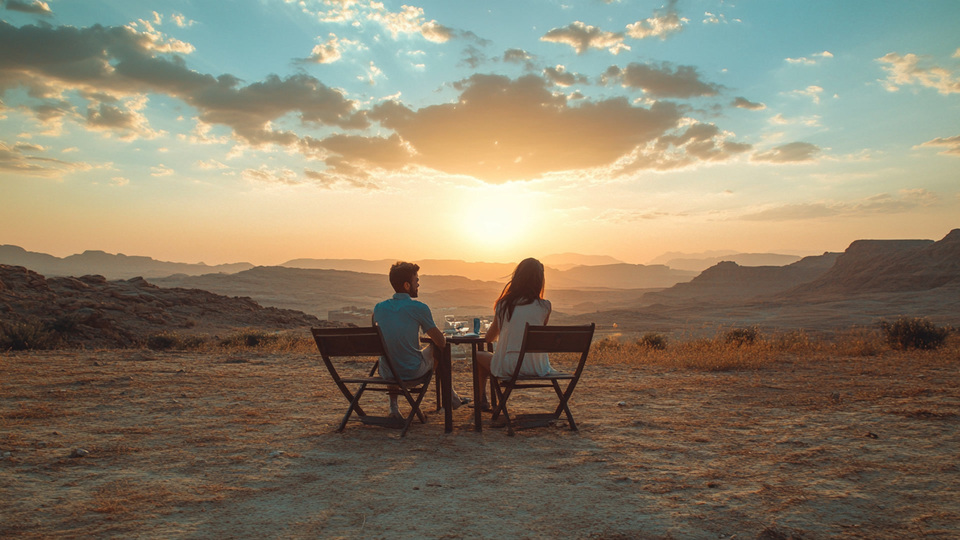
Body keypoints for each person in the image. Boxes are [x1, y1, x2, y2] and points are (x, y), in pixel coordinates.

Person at [373, 261, 467, 419]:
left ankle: (393, 407)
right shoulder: (419, 308)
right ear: (407, 285)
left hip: (387, 372)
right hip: (411, 372)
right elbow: (441, 342)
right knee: (439, 348)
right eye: (416, 281)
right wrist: (441, 336)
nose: (418, 284)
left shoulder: (379, 308)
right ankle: (451, 397)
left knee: (391, 354)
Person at [475, 257, 553, 412]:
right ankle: (484, 400)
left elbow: (489, 338)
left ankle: (481, 400)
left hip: (511, 366)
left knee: (478, 355)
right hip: (538, 367)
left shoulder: (504, 304)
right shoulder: (545, 306)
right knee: (489, 360)